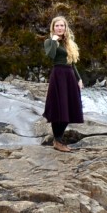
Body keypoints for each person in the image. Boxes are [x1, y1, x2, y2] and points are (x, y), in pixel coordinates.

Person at [42, 14, 84, 152]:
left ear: (65, 28)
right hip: (58, 76)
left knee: (69, 108)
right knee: (59, 109)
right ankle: (58, 141)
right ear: (53, 28)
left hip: (70, 76)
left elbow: (72, 63)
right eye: (57, 26)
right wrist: (54, 41)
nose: (60, 28)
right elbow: (51, 55)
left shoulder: (69, 43)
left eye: (62, 25)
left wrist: (79, 79)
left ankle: (59, 140)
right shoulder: (49, 41)